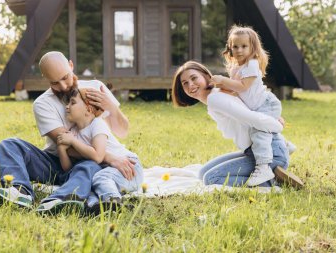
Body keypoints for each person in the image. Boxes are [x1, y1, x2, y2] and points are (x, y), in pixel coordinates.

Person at [0, 51, 136, 215]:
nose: (64, 86)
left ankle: (62, 199)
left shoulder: (94, 88)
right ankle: (19, 192)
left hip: (90, 164)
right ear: (46, 79)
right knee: (9, 145)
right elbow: (67, 145)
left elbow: (122, 131)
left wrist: (110, 106)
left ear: (71, 65)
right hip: (59, 162)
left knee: (89, 165)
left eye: (65, 77)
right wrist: (107, 157)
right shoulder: (42, 104)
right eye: (55, 82)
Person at [171, 60, 303, 188]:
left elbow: (252, 118)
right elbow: (249, 106)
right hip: (254, 151)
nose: (190, 85)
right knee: (202, 173)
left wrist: (276, 126)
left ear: (206, 76)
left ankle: (275, 182)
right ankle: (276, 163)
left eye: (194, 78)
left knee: (211, 178)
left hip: (268, 155)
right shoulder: (218, 94)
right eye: (185, 83)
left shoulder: (215, 98)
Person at [210, 25, 291, 186]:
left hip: (266, 104)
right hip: (258, 106)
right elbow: (235, 90)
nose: (239, 50)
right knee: (260, 129)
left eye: (244, 46)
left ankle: (263, 167)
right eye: (235, 46)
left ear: (252, 48)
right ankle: (285, 146)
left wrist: (223, 80)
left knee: (258, 133)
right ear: (230, 48)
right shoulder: (235, 68)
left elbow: (242, 87)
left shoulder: (252, 64)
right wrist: (219, 88)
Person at [57, 87, 143, 210]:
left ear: (88, 109)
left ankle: (114, 202)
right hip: (110, 172)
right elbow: (69, 169)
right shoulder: (74, 132)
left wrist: (72, 141)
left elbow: (98, 156)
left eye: (73, 102)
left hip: (129, 167)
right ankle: (93, 207)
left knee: (100, 179)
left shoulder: (97, 124)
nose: (67, 106)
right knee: (89, 184)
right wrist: (61, 148)